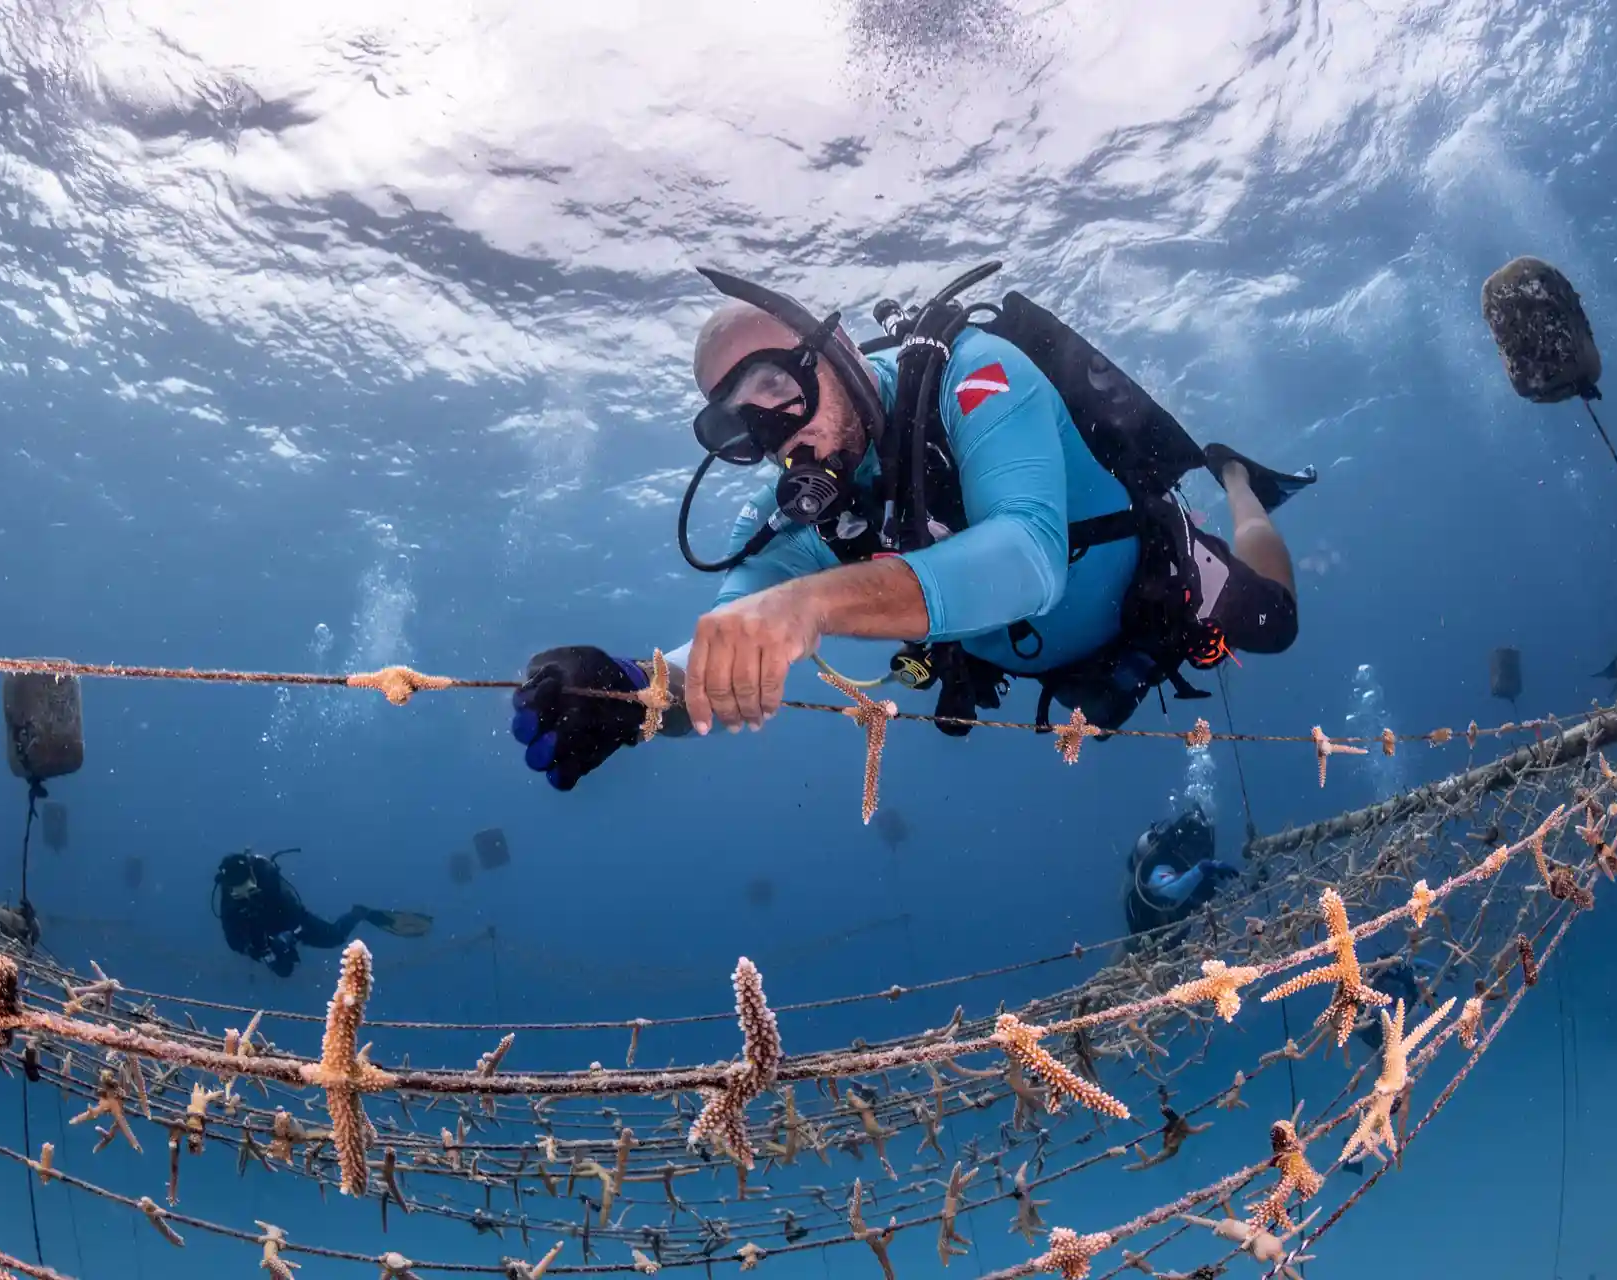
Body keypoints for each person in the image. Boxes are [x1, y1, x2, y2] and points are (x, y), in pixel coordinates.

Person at [511, 265, 1314, 791]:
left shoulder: (974, 374)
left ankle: (1237, 481)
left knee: (1276, 623)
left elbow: (1030, 558)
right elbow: (729, 643)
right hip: (1040, 659)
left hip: (1154, 586)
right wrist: (630, 693)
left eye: (777, 389)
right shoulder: (796, 515)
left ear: (836, 350)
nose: (780, 437)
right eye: (739, 427)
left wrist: (809, 605)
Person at [212, 849, 431, 979]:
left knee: (335, 936)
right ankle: (277, 953)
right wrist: (254, 950)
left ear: (253, 876)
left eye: (248, 889)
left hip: (289, 920)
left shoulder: (268, 878)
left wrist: (291, 935)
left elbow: (294, 911)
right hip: (259, 930)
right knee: (284, 971)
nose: (244, 895)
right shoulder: (229, 901)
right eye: (237, 892)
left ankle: (360, 913)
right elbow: (232, 938)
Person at [1121, 803, 1244, 945]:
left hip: (1178, 938)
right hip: (1149, 940)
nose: (1199, 852)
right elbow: (1172, 890)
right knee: (1128, 950)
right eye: (1196, 847)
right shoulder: (1158, 869)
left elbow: (1225, 891)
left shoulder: (1186, 868)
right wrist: (1203, 868)